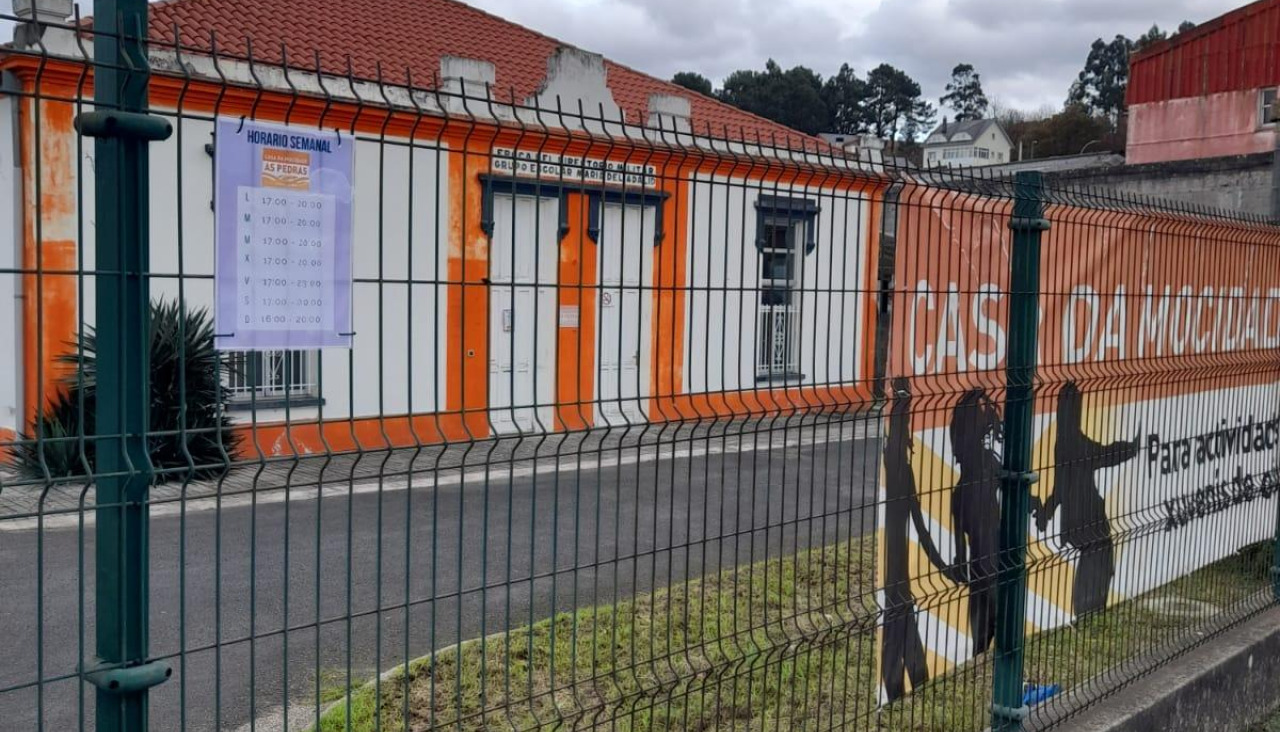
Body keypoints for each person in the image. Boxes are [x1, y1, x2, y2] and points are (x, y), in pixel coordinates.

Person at [880, 378, 966, 701]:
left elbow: (922, 530)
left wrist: (946, 570)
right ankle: (912, 691)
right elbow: (923, 532)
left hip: (897, 579)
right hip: (894, 579)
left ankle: (911, 693)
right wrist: (947, 569)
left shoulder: (901, 467)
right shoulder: (894, 464)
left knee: (900, 640)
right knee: (900, 640)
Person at [1034, 381, 1139, 619]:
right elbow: (1104, 455)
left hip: (1081, 515)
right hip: (1087, 515)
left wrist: (1048, 511)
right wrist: (1130, 448)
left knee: (1097, 561)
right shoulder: (1073, 441)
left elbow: (1060, 485)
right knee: (1099, 559)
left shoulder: (1064, 441)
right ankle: (1089, 611)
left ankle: (1089, 612)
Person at [948, 387, 1005, 656]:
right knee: (990, 627)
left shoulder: (963, 488)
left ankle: (982, 653)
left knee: (983, 637)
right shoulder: (985, 471)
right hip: (991, 573)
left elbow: (961, 558)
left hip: (982, 575)